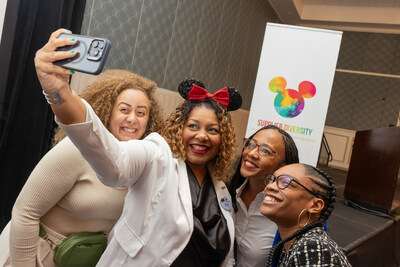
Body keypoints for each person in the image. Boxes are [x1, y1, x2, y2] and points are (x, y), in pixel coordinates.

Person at [34, 29, 242, 266]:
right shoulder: (156, 155)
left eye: (213, 130)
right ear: (178, 128)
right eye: (193, 126)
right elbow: (112, 159)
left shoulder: (221, 189)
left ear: (223, 139)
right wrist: (58, 92)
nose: (202, 136)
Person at [0, 69, 164, 267]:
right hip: (33, 256)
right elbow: (24, 213)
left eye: (141, 113)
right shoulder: (76, 149)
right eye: (124, 110)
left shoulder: (142, 167)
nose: (132, 119)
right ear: (106, 111)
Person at [228, 125, 299, 267]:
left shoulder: (286, 213)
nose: (252, 153)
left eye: (265, 151)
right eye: (251, 144)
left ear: (282, 166)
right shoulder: (226, 193)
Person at [261, 163, 352, 267]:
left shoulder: (313, 249)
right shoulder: (293, 242)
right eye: (272, 180)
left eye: (286, 182)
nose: (270, 186)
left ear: (315, 205)